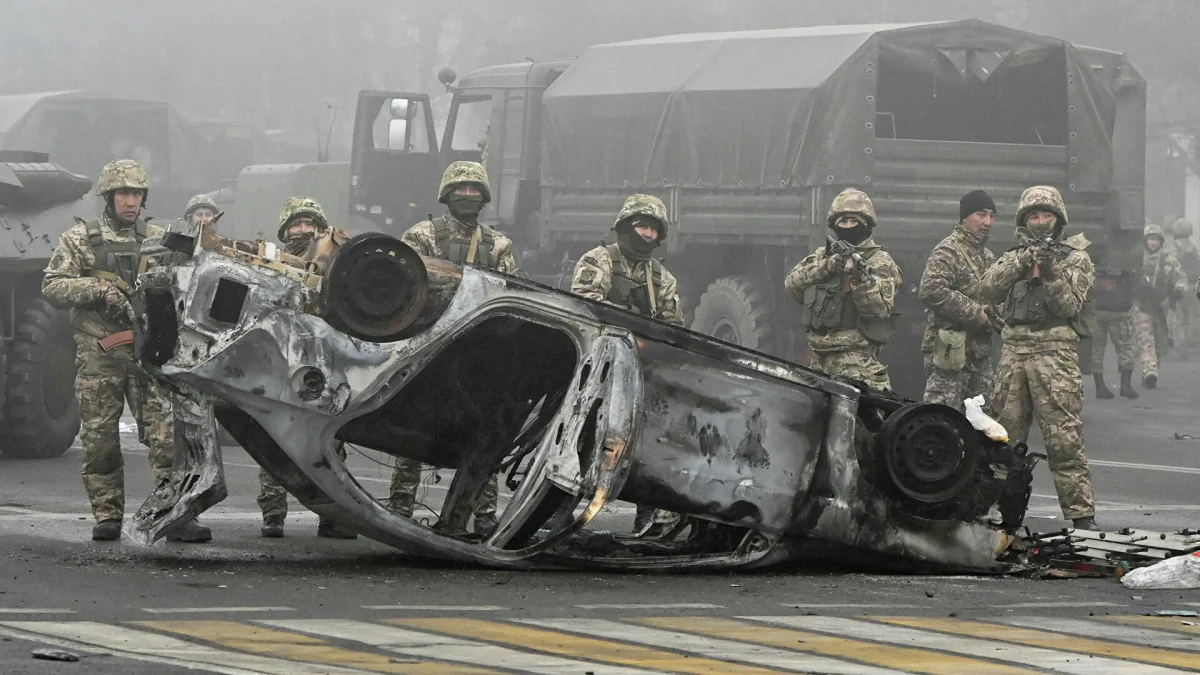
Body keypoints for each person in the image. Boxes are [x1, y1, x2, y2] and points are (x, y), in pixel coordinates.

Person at [42, 159, 211, 542]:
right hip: (100, 357)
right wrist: (98, 290)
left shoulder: (158, 237)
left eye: (136, 193)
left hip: (148, 354)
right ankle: (107, 514)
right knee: (101, 441)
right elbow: (52, 287)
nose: (130, 201)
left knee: (168, 440)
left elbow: (192, 276)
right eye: (123, 193)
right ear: (109, 197)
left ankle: (175, 515)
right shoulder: (80, 239)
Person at [388, 161, 518, 538]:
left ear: (484, 198)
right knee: (413, 431)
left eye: (474, 191)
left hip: (479, 354)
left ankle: (484, 515)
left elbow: (512, 298)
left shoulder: (499, 245)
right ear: (446, 194)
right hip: (428, 347)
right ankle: (400, 508)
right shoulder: (422, 235)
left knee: (485, 434)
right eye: (460, 189)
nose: (467, 196)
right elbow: (406, 288)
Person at [979, 185, 1098, 530]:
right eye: (1034, 215)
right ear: (1024, 220)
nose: (1041, 221)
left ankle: (1081, 516)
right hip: (1014, 351)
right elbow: (988, 288)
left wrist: (1050, 271)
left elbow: (1067, 306)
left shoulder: (1076, 258)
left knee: (1064, 438)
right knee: (1003, 439)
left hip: (1054, 353)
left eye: (1047, 215)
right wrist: (1022, 261)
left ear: (1058, 219)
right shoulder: (1014, 255)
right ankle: (1001, 513)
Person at [571, 193, 684, 534]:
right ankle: (557, 511)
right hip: (597, 368)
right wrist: (630, 322)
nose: (647, 235)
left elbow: (673, 326)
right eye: (641, 227)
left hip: (639, 371)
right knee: (582, 440)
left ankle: (647, 516)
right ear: (625, 226)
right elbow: (584, 305)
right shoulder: (598, 260)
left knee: (643, 443)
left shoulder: (662, 278)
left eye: (653, 230)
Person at [258, 197, 358, 539]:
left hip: (324, 363)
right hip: (280, 361)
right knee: (274, 436)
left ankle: (333, 516)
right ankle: (273, 514)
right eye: (296, 225)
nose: (303, 230)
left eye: (310, 224)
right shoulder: (268, 262)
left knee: (330, 441)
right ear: (285, 230)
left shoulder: (336, 263)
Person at [784, 188, 902, 391]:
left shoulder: (879, 261)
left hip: (857, 366)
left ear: (865, 224)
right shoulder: (823, 256)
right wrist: (826, 268)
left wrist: (858, 279)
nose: (848, 226)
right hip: (818, 364)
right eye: (842, 222)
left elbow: (879, 309)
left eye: (853, 221)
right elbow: (791, 284)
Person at [918, 189, 998, 412]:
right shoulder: (948, 251)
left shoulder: (988, 257)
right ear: (964, 217)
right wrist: (975, 313)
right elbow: (930, 289)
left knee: (983, 423)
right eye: (981, 215)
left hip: (979, 354)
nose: (988, 222)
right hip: (950, 348)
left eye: (992, 216)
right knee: (942, 418)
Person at [1131, 223, 1187, 388]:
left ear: (1160, 241)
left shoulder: (1168, 259)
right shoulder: (1137, 258)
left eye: (1156, 240)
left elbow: (1180, 277)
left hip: (1161, 307)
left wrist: (1178, 290)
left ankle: (1151, 369)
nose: (1153, 243)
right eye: (1150, 239)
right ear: (1145, 241)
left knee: (1160, 345)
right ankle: (1149, 371)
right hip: (1141, 306)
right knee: (1146, 339)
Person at [1168, 218, 1200, 360]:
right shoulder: (1193, 248)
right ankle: (1190, 344)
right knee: (1190, 318)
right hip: (1193, 287)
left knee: (1177, 318)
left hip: (1179, 287)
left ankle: (1180, 348)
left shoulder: (1174, 248)